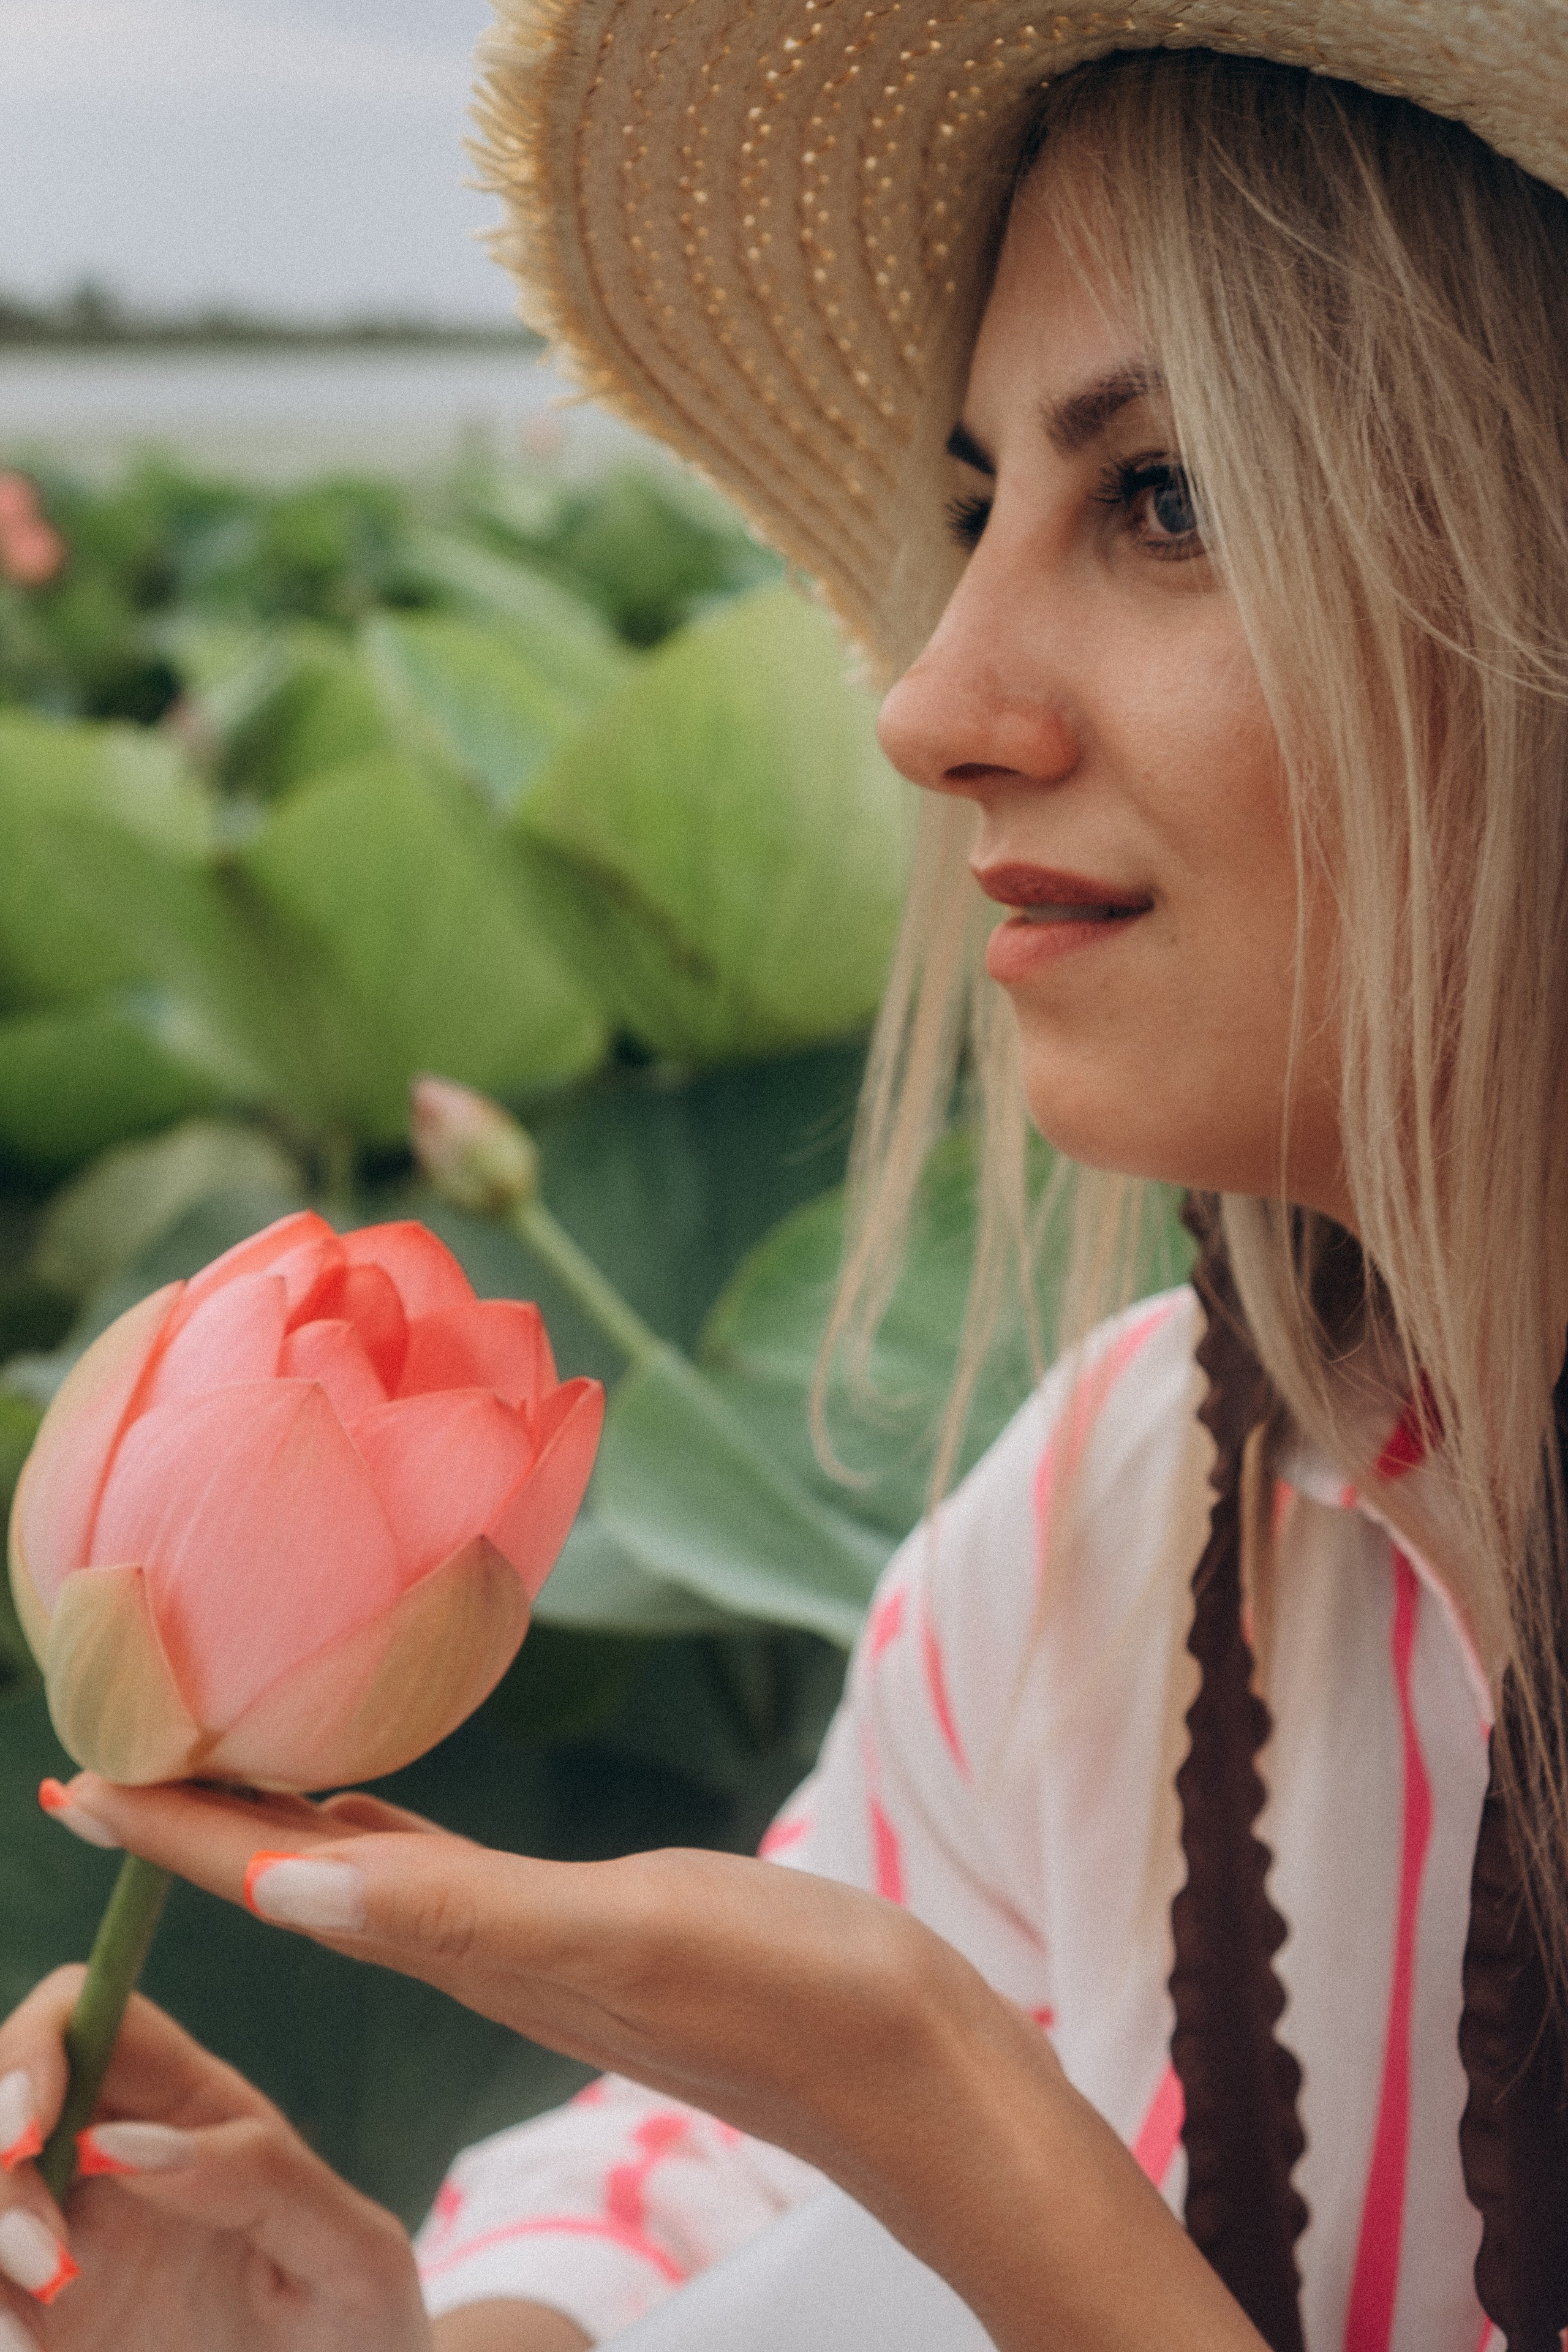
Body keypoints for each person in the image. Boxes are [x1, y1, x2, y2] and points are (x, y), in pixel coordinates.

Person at [2, 10, 1566, 2351]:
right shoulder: (1113, 1516)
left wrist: (953, 2123)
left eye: (1166, 498)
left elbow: (869, 2060)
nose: (927, 706)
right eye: (974, 512)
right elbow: (691, 2170)